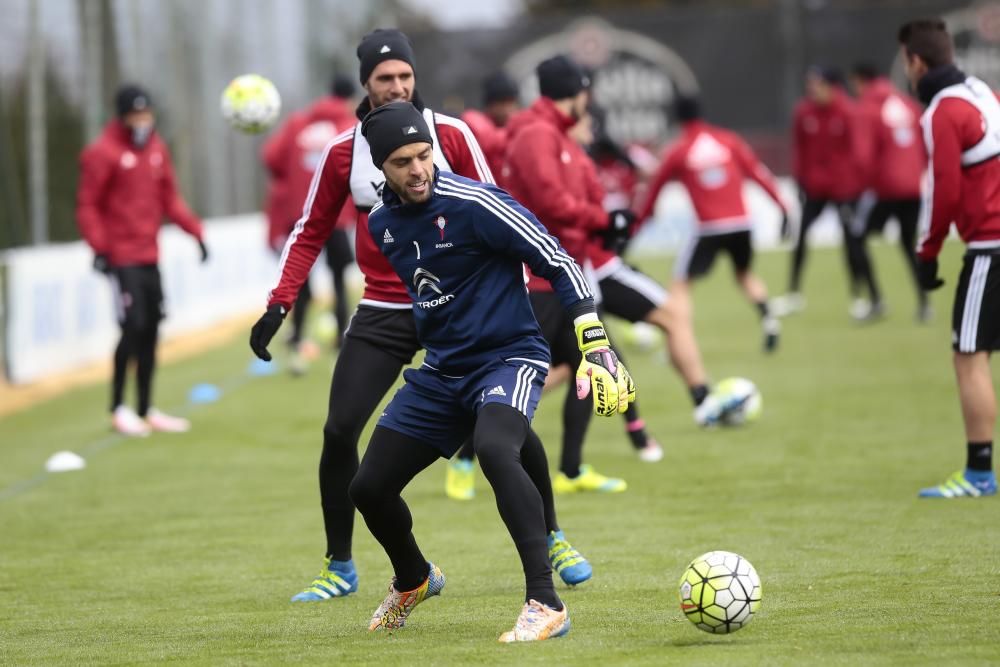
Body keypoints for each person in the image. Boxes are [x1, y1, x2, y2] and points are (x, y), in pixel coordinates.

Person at [249, 28, 590, 600]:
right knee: (339, 430)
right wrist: (281, 301)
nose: (398, 86)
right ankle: (341, 564)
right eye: (386, 79)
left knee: (503, 427)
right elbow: (309, 230)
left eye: (406, 76)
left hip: (466, 310)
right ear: (366, 84)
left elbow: (495, 215)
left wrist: (521, 301)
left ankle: (552, 535)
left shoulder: (450, 133)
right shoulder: (342, 152)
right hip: (386, 307)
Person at [349, 101, 634, 640]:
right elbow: (434, 296)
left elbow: (558, 258)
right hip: (442, 371)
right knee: (368, 488)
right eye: (404, 161)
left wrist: (592, 340)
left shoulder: (476, 202)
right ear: (380, 168)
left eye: (424, 155)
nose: (419, 169)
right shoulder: (381, 224)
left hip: (509, 355)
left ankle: (545, 603)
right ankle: (413, 578)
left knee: (497, 449)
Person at [897, 19, 1000, 498]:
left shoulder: (942, 110)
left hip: (990, 248)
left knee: (968, 357)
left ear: (915, 61)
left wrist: (928, 252)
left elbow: (944, 192)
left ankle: (979, 474)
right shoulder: (982, 90)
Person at [76, 84, 207, 437]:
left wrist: (195, 232)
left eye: (146, 113)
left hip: (150, 255)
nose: (142, 120)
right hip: (122, 258)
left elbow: (170, 199)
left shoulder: (156, 150)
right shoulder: (102, 153)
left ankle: (146, 409)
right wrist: (100, 249)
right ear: (121, 117)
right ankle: (118, 407)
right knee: (131, 327)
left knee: (151, 329)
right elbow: (88, 205)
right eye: (135, 115)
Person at [636, 96, 787, 353]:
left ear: (678, 118)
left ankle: (679, 337)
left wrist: (639, 221)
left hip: (709, 228)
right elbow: (758, 173)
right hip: (742, 224)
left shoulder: (680, 151)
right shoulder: (729, 141)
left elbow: (654, 189)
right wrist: (782, 206)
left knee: (681, 283)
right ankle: (768, 318)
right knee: (744, 275)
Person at [262, 74, 359, 372]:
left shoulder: (296, 124)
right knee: (340, 283)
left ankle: (297, 350)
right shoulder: (350, 127)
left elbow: (271, 159)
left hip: (301, 217)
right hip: (338, 218)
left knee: (300, 286)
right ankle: (340, 352)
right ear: (350, 100)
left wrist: (294, 182)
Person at [775, 67, 881, 320]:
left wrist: (857, 187)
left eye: (818, 84)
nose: (813, 90)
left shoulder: (848, 111)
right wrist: (799, 181)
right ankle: (793, 294)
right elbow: (799, 149)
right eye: (811, 84)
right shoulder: (804, 112)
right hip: (814, 188)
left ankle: (862, 295)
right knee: (801, 238)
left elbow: (859, 153)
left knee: (852, 242)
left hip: (844, 190)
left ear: (833, 86)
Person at [849, 62, 931, 322]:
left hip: (884, 189)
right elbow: (927, 144)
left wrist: (862, 186)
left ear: (861, 80)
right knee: (909, 245)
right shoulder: (908, 105)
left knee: (856, 237)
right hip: (913, 188)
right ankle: (924, 303)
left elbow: (863, 157)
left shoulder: (866, 110)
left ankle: (875, 300)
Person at [461, 71, 520, 175]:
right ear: (489, 105)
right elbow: (487, 141)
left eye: (510, 102)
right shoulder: (474, 120)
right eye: (501, 103)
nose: (507, 109)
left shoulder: (519, 124)